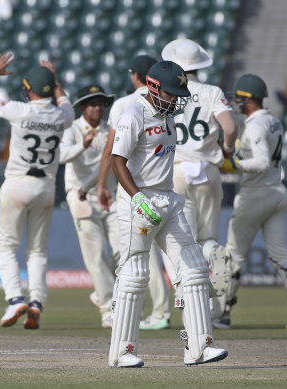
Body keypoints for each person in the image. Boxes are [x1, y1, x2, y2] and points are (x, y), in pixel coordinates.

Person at [108, 60, 228, 367]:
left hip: (169, 198)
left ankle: (198, 347)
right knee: (135, 275)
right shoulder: (133, 113)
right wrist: (137, 198)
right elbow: (117, 160)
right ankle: (122, 353)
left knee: (194, 269)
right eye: (171, 93)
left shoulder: (168, 115)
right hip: (140, 200)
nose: (176, 99)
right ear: (152, 86)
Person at [0, 53, 74, 329]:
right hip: (46, 188)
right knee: (37, 252)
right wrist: (56, 81)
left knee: (4, 248)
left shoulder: (20, 109)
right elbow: (67, 106)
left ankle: (16, 299)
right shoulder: (62, 115)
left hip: (18, 183)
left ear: (28, 89)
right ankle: (36, 302)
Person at [218, 74, 287, 329]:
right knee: (281, 254)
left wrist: (234, 164)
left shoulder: (255, 126)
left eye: (240, 99)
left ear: (249, 100)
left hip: (255, 195)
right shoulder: (272, 119)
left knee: (233, 256)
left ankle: (223, 313)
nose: (236, 103)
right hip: (277, 192)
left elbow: (261, 161)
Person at [159, 38, 238, 313]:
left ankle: (189, 299)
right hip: (209, 171)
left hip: (177, 171)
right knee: (207, 239)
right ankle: (214, 258)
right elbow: (230, 128)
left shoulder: (168, 91)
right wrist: (227, 151)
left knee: (182, 242)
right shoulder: (212, 92)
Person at [97, 54, 173, 331]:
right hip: (163, 185)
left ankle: (128, 317)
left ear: (134, 75)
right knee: (167, 251)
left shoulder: (123, 105)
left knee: (136, 255)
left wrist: (102, 184)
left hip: (130, 188)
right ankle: (164, 309)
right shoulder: (167, 102)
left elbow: (112, 150)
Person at [59, 84, 119, 328]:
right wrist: (82, 145)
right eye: (92, 104)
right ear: (82, 107)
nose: (98, 108)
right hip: (80, 196)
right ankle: (107, 310)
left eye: (101, 103)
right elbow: (62, 157)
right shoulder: (72, 129)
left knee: (123, 251)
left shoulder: (110, 130)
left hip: (109, 194)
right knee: (96, 256)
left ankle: (102, 292)